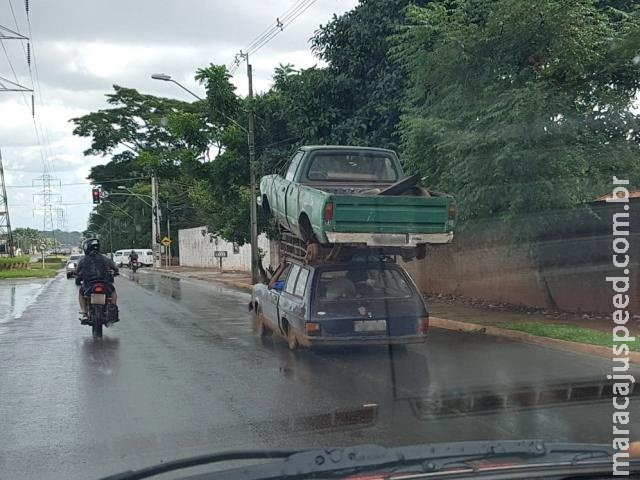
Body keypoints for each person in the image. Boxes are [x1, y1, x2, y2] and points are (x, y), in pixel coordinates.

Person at [76, 238, 119, 321]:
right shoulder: (104, 258)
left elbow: (77, 271)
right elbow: (115, 268)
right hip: (104, 283)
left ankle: (84, 312)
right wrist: (115, 272)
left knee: (81, 293)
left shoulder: (83, 260)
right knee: (113, 293)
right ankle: (113, 309)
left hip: (88, 284)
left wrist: (77, 274)